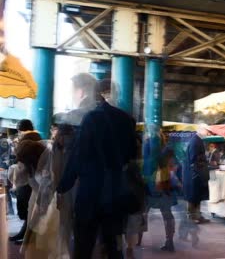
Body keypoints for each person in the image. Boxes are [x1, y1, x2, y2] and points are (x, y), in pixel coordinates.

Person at [57, 74, 137, 259]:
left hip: (90, 193)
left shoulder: (90, 118)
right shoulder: (126, 120)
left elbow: (78, 155)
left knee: (84, 246)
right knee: (113, 247)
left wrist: (63, 186)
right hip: (116, 192)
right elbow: (131, 154)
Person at [9, 119, 42, 245]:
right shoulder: (36, 136)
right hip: (32, 176)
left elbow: (22, 156)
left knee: (26, 207)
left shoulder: (29, 137)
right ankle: (25, 234)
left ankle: (26, 236)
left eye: (18, 129)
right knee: (29, 207)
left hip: (28, 177)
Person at [183, 124, 210, 224]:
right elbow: (194, 159)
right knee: (193, 196)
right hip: (194, 174)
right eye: (207, 131)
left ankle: (197, 216)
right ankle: (191, 217)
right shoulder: (195, 141)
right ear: (201, 130)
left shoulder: (197, 140)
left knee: (197, 196)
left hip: (195, 173)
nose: (208, 133)